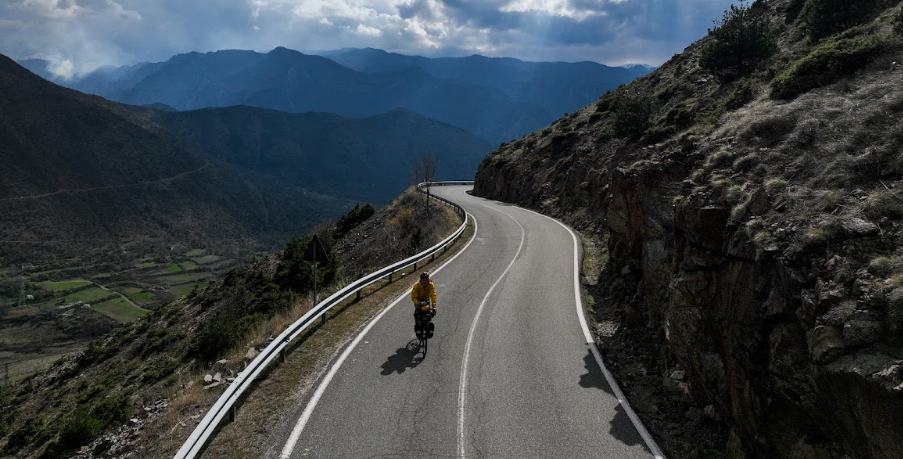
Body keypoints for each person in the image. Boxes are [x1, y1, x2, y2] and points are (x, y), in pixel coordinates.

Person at [411, 272, 437, 338]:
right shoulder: (416, 285)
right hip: (418, 301)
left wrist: (434, 306)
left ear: (428, 279)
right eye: (423, 280)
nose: (425, 282)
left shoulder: (431, 285)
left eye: (426, 280)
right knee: (417, 314)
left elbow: (433, 295)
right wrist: (417, 303)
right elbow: (413, 297)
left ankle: (429, 327)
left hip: (426, 301)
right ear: (421, 280)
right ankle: (418, 327)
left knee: (428, 314)